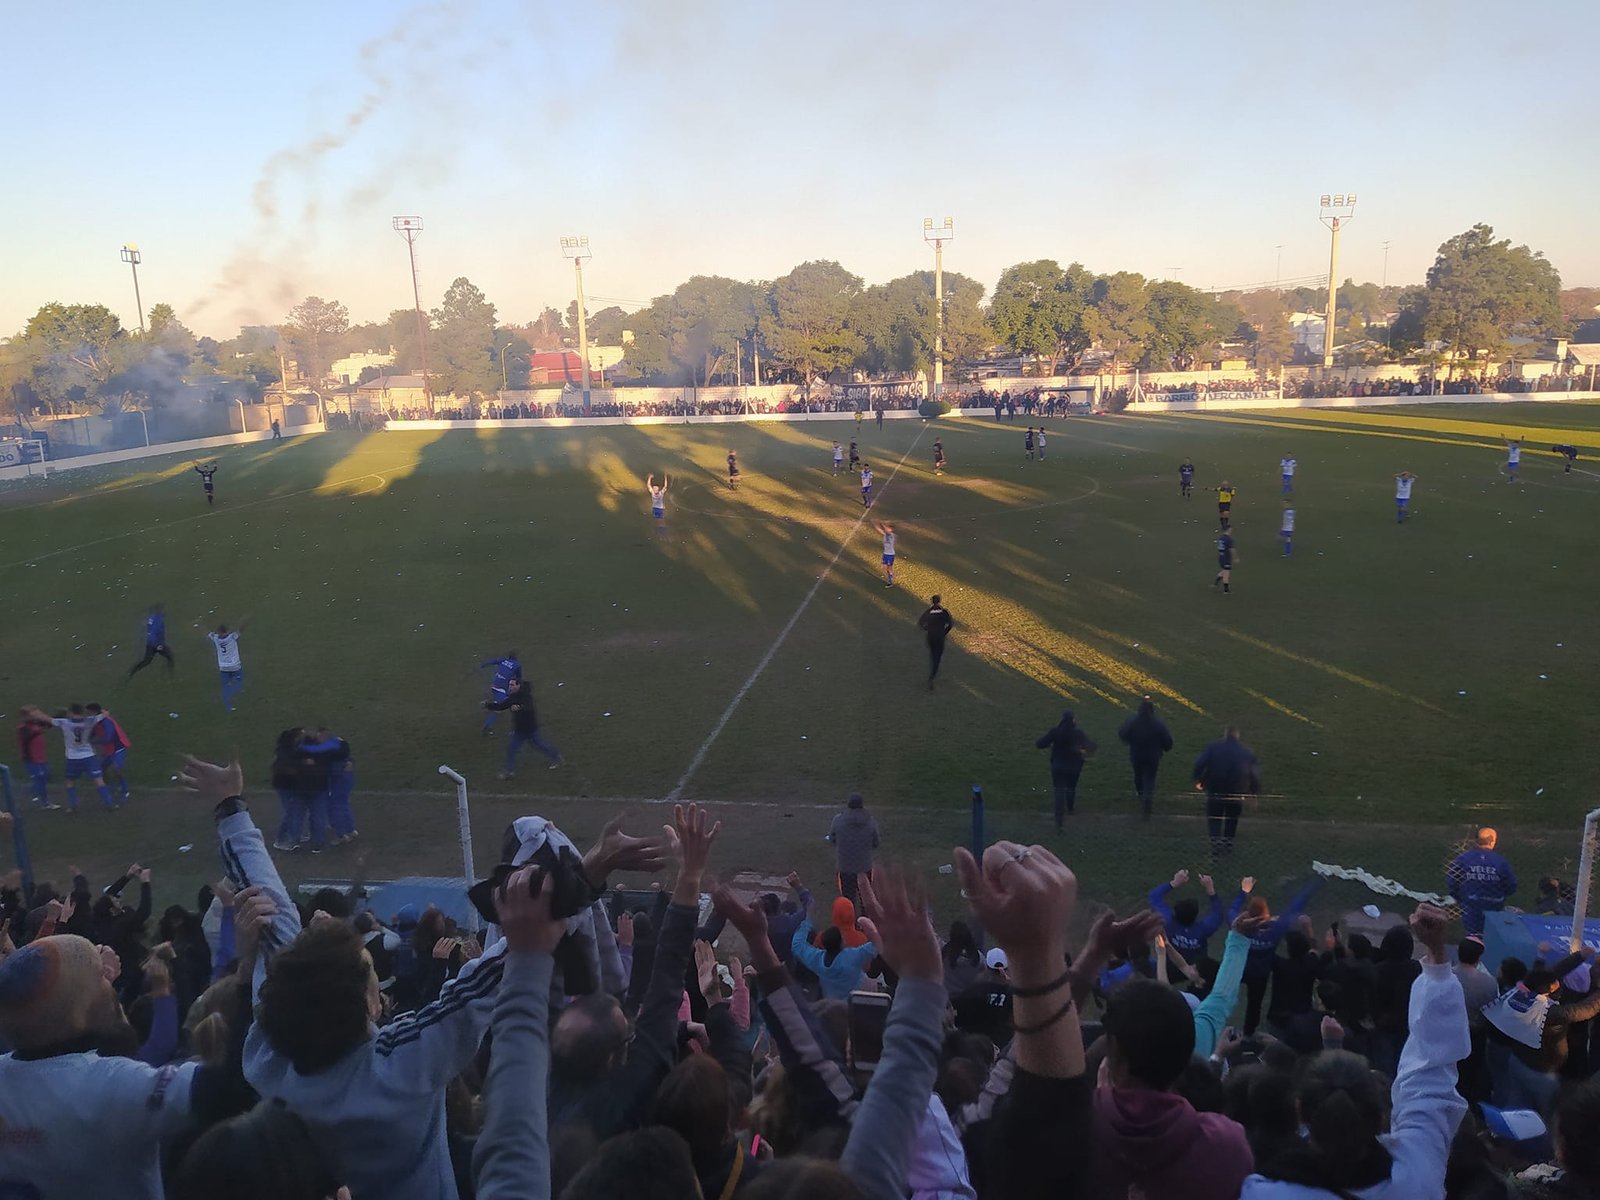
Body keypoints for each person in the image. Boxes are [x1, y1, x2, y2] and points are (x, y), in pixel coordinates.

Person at [1241, 904, 1469, 1199]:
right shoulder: (1419, 1173)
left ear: (1299, 1113)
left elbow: (1428, 1084)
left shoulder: (1263, 1193)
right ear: (1380, 1117)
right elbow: (1430, 1083)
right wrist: (1437, 956)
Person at [24, 702, 113, 812]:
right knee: (99, 780)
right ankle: (109, 803)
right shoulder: (90, 720)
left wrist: (35, 711)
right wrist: (103, 712)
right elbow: (106, 714)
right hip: (89, 756)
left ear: (71, 712)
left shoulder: (64, 722)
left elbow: (45, 718)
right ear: (82, 712)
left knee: (70, 782)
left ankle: (73, 806)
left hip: (72, 758)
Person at [1193, 727, 1260, 857]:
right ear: (1237, 736)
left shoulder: (1213, 748)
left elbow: (1199, 764)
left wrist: (1199, 779)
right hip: (1237, 791)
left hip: (1215, 788)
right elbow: (1254, 775)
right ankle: (1228, 845)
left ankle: (1216, 845)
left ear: (1225, 735)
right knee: (1232, 818)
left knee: (1214, 817)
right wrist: (1253, 793)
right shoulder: (1247, 752)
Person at [485, 677, 563, 777]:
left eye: (512, 685)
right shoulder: (512, 697)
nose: (510, 687)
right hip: (519, 730)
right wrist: (488, 705)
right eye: (509, 685)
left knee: (541, 746)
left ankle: (556, 756)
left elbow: (528, 706)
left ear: (518, 686)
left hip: (530, 729)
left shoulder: (526, 695)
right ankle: (509, 771)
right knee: (511, 749)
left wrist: (519, 707)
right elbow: (501, 706)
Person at [1447, 826, 1517, 937]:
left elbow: (1452, 881)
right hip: (1494, 906)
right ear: (1493, 841)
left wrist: (1461, 897)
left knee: (1472, 937)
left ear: (1476, 841)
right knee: (1491, 937)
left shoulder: (1464, 859)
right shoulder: (1501, 862)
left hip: (1471, 906)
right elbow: (1511, 885)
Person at [1035, 709, 1096, 831]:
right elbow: (1091, 746)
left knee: (1059, 791)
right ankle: (1070, 808)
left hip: (1058, 765)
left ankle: (1059, 819)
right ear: (1073, 720)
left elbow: (1040, 744)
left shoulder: (1055, 732)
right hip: (1074, 766)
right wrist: (1082, 750)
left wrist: (1051, 744)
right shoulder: (1078, 733)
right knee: (1071, 787)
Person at [1149, 869, 1225, 961]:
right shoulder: (1203, 930)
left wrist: (1174, 882)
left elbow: (1154, 897)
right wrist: (1210, 888)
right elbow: (1218, 913)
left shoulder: (1167, 922)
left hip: (1169, 968)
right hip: (1195, 972)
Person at [1118, 695, 1174, 818]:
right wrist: (1165, 748)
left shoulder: (1133, 721)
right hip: (1153, 756)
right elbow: (1167, 741)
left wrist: (1130, 741)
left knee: (1138, 775)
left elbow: (1123, 734)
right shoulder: (1158, 724)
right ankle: (1147, 802)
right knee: (1150, 778)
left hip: (1136, 754)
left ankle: (1140, 793)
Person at [825, 793, 879, 905]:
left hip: (845, 868)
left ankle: (849, 920)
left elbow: (832, 840)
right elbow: (876, 843)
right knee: (865, 898)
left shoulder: (838, 820)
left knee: (848, 900)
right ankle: (865, 920)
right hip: (864, 868)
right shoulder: (871, 822)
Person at [85, 701, 131, 806]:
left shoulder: (106, 721)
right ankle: (109, 787)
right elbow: (92, 732)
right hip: (108, 750)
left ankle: (125, 789)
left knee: (116, 770)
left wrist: (92, 741)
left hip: (117, 748)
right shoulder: (96, 720)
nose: (87, 715)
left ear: (94, 712)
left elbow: (108, 737)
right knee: (102, 769)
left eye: (88, 712)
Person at [478, 650, 522, 735]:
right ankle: (486, 728)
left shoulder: (504, 660)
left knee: (502, 705)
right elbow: (519, 678)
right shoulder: (517, 665)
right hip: (501, 689)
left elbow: (492, 661)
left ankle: (489, 707)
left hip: (494, 686)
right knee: (507, 708)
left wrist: (482, 665)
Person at [128, 603, 175, 678]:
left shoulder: (151, 618)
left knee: (146, 661)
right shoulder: (159, 620)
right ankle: (171, 675)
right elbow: (155, 632)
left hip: (150, 644)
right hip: (157, 645)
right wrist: (158, 645)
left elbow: (150, 629)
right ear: (159, 611)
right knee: (170, 656)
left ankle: (131, 672)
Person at [917, 594, 955, 690]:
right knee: (938, 656)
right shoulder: (944, 612)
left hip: (931, 637)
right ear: (939, 601)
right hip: (940, 637)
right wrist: (943, 633)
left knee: (933, 654)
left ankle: (933, 673)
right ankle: (932, 675)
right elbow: (950, 624)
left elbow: (921, 623)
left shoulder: (928, 612)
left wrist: (928, 629)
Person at [208, 622, 246, 713]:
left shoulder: (216, 638)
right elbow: (240, 628)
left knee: (225, 687)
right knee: (240, 683)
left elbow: (208, 633)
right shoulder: (232, 637)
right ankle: (234, 690)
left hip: (223, 668)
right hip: (235, 666)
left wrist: (199, 624)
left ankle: (228, 706)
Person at [1213, 527, 1238, 593]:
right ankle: (1226, 590)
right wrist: (1235, 558)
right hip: (1226, 558)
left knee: (1224, 570)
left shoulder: (1221, 538)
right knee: (1226, 573)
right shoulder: (1229, 539)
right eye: (1231, 529)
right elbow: (1232, 550)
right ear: (1228, 530)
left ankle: (1216, 582)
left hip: (1221, 557)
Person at [875, 520, 896, 586]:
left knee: (889, 569)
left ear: (891, 530)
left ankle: (891, 582)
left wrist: (883, 524)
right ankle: (891, 575)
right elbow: (879, 530)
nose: (886, 529)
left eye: (888, 529)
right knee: (884, 568)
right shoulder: (885, 534)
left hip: (890, 554)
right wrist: (876, 523)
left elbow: (885, 530)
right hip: (885, 554)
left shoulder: (892, 536)